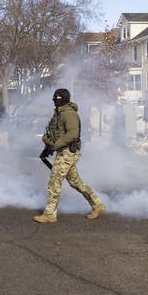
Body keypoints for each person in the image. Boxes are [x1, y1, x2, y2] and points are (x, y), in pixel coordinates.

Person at [33, 88, 106, 223]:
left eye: (58, 97)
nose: (55, 99)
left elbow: (72, 134)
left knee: (55, 181)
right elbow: (55, 133)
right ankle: (97, 204)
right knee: (75, 182)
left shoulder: (69, 114)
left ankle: (49, 214)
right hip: (62, 150)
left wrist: (54, 146)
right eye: (54, 97)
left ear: (65, 99)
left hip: (68, 152)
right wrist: (48, 147)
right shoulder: (59, 113)